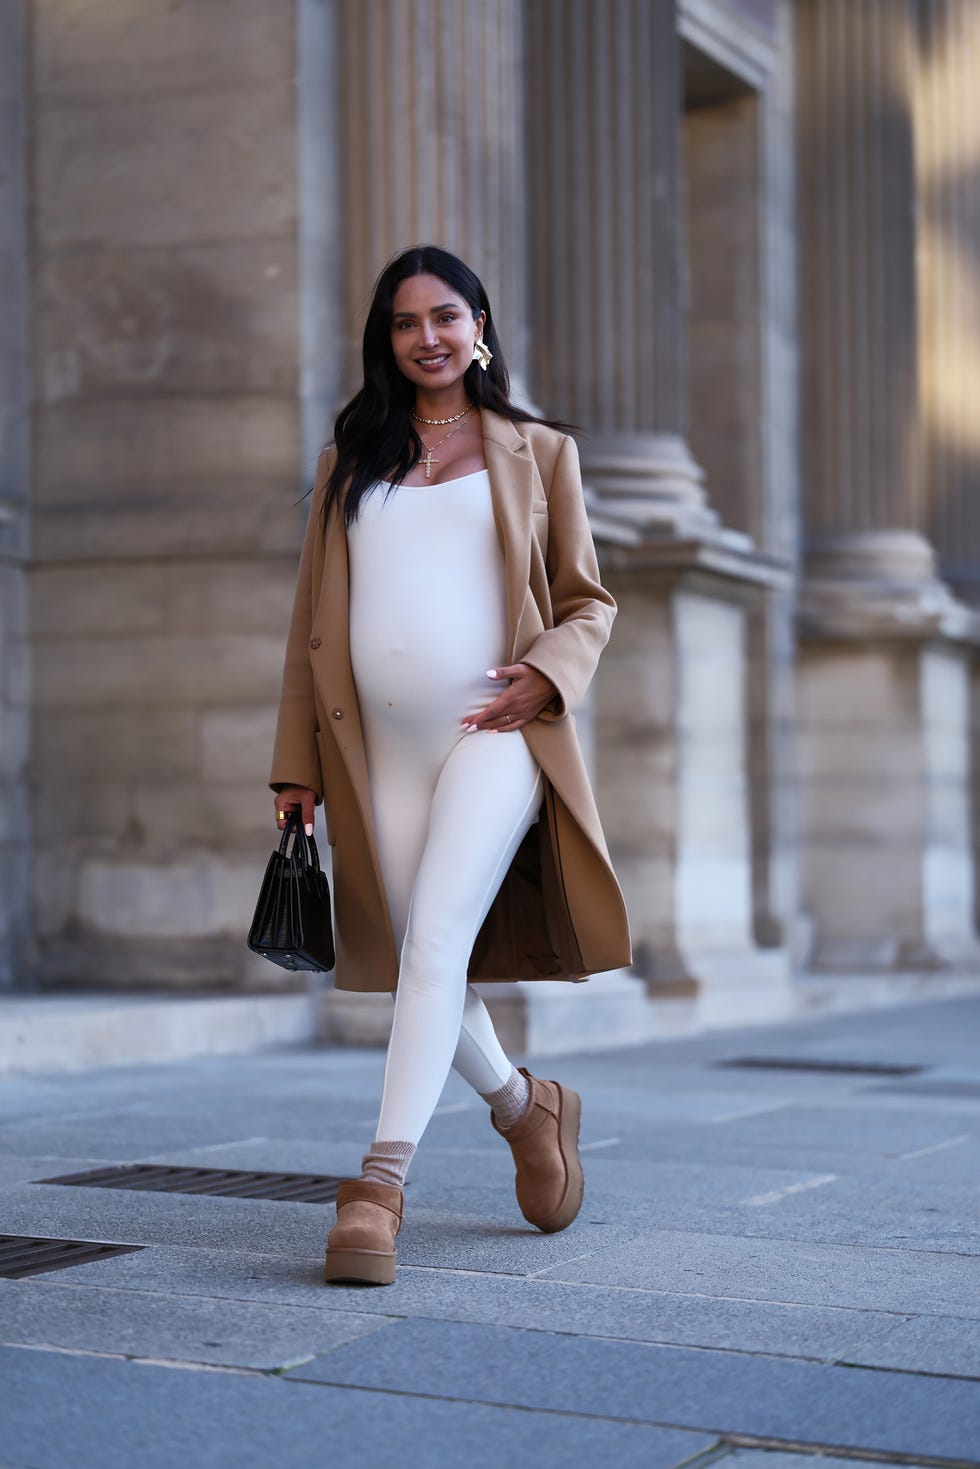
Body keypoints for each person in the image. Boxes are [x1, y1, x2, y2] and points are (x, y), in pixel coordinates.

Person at [269, 245, 631, 1286]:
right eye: (402, 321)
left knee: (431, 937)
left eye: (444, 315)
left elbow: (586, 600)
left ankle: (377, 1186)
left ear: (480, 323)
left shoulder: (535, 450)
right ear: (385, 340)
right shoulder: (352, 460)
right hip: (373, 745)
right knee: (429, 957)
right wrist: (294, 762)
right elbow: (307, 627)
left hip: (495, 731)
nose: (425, 336)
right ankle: (526, 1108)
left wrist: (546, 675)